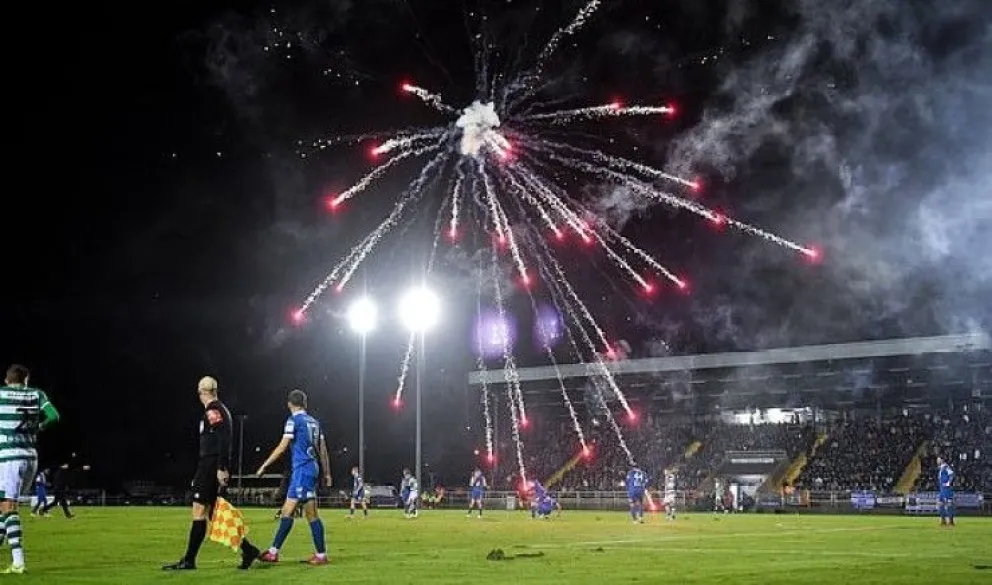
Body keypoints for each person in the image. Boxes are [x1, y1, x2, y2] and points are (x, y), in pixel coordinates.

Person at [163, 376, 260, 571]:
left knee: (199, 510)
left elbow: (223, 439)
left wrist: (221, 467)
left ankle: (189, 560)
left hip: (210, 465)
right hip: (211, 464)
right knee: (215, 514)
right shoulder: (220, 409)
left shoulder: (213, 410)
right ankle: (248, 549)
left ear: (201, 392)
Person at [256, 390, 332, 565]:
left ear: (289, 404)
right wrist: (327, 473)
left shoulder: (293, 421)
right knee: (289, 512)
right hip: (309, 469)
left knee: (305, 513)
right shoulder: (315, 422)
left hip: (303, 470)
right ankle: (275, 552)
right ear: (305, 404)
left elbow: (282, 447)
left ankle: (317, 555)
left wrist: (265, 465)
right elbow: (323, 450)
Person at [0, 364, 60, 574]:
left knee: (9, 506)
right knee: (4, 505)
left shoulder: (2, 394)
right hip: (31, 457)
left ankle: (18, 562)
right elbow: (54, 416)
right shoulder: (37, 394)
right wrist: (39, 427)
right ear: (26, 380)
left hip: (9, 456)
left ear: (7, 380)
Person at [937, 457, 955, 527]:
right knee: (940, 504)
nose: (937, 461)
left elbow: (952, 474)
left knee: (949, 504)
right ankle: (943, 521)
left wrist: (948, 483)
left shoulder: (946, 467)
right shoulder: (941, 468)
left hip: (946, 489)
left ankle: (951, 521)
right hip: (942, 489)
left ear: (942, 460)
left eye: (938, 459)